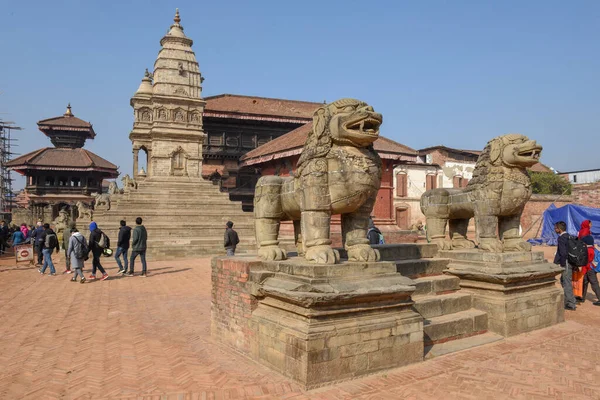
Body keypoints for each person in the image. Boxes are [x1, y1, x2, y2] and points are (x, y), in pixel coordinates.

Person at [554, 221, 577, 310]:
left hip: (566, 263)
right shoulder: (569, 236)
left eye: (555, 228)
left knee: (566, 282)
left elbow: (563, 253)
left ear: (559, 229)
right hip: (570, 262)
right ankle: (569, 299)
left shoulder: (561, 238)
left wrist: (562, 265)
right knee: (563, 280)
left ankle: (571, 303)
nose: (555, 230)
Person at [580, 235, 600, 306]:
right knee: (585, 282)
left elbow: (587, 261)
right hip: (591, 269)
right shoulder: (593, 248)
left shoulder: (588, 250)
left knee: (594, 284)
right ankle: (582, 297)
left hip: (589, 269)